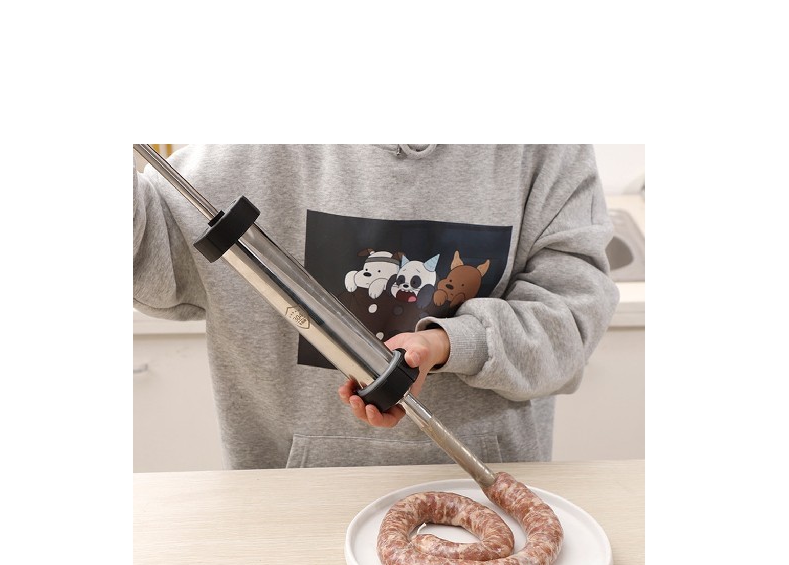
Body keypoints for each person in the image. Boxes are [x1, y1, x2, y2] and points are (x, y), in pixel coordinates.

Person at [133, 144, 619, 470]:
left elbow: (570, 322)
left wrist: (450, 344)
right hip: (290, 509)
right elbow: (147, 261)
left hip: (485, 495)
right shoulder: (235, 147)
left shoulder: (547, 148)